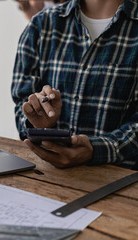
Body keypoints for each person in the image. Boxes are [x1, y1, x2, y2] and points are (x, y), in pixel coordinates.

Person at [11, 0, 138, 169]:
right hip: (47, 178)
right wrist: (36, 122)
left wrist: (96, 150)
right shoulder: (41, 25)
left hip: (121, 186)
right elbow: (21, 102)